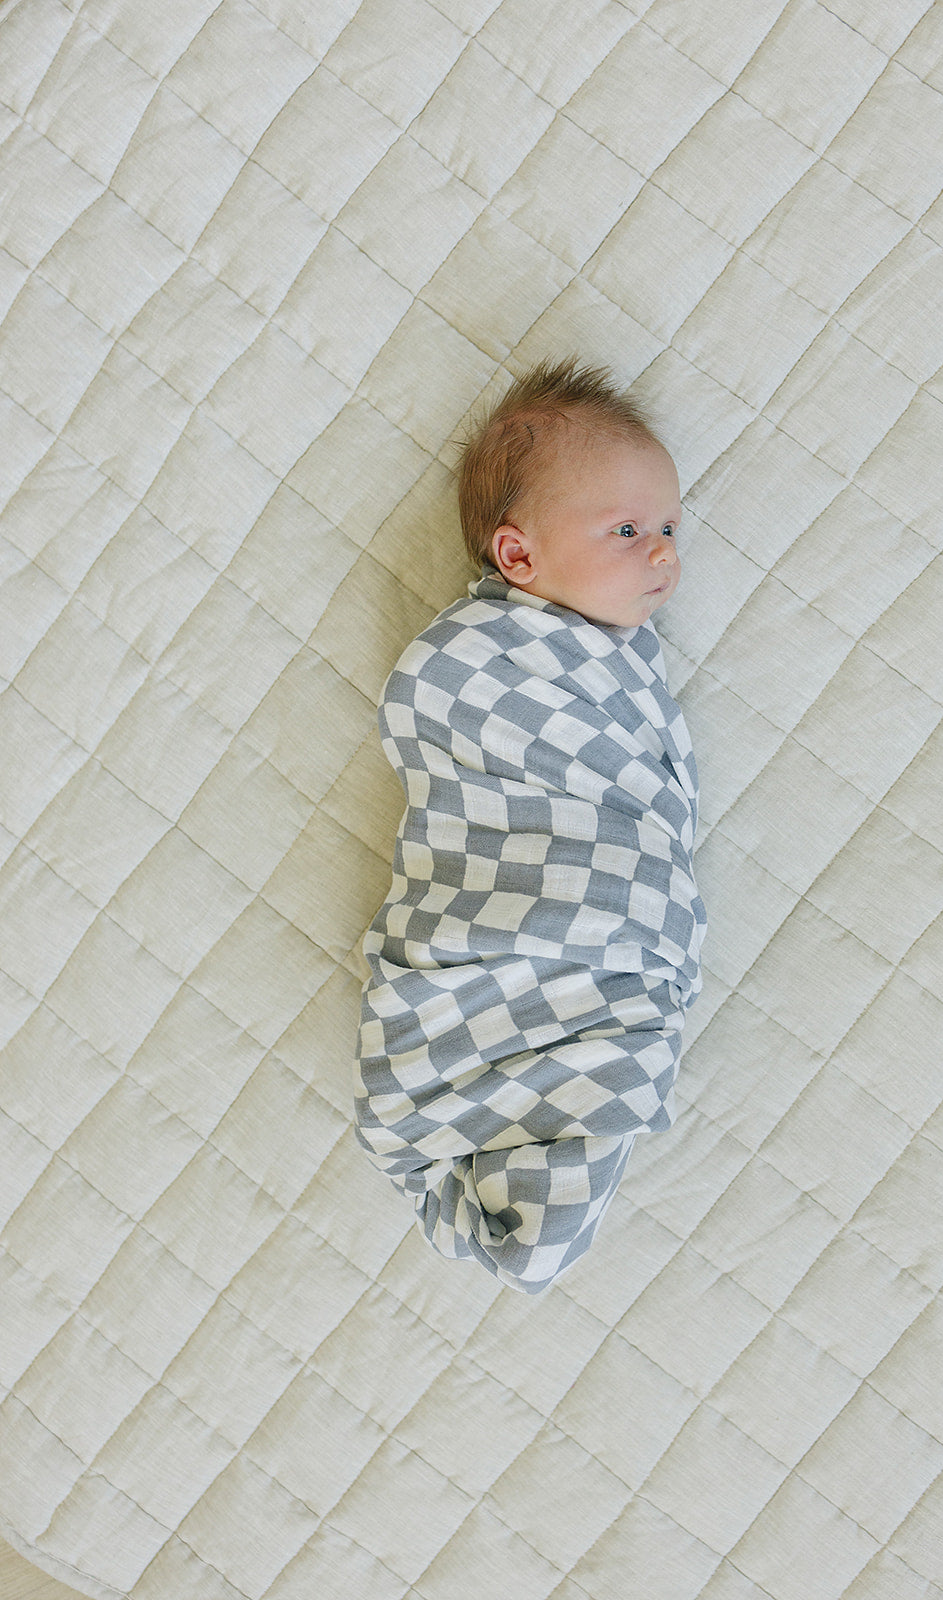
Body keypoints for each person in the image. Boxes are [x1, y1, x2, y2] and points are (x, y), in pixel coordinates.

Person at [354, 358, 707, 1293]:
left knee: (581, 1124)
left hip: (608, 964)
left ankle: (526, 1181)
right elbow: (463, 755)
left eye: (668, 527)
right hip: (509, 930)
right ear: (518, 557)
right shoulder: (479, 664)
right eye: (627, 530)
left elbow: (632, 791)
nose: (662, 552)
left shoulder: (614, 665)